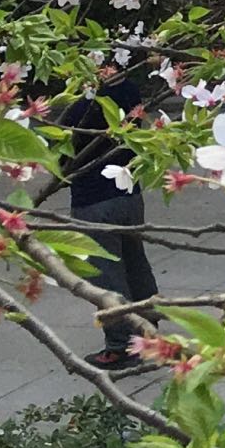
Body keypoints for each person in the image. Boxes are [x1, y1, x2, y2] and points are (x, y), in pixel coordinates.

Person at [61, 57, 161, 372]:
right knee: (134, 260)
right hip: (129, 193)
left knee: (106, 273)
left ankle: (121, 345)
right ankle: (148, 328)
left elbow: (64, 143)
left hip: (95, 200)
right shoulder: (131, 90)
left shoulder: (81, 107)